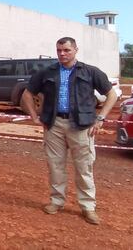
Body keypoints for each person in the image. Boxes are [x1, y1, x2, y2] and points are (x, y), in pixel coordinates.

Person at [21, 36, 117, 225]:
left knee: (84, 168)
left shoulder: (90, 72)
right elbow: (27, 94)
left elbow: (111, 94)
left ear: (75, 50)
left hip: (82, 126)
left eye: (66, 50)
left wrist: (101, 118)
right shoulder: (47, 72)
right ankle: (57, 201)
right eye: (59, 50)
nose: (62, 54)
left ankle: (88, 207)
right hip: (54, 125)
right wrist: (34, 116)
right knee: (55, 166)